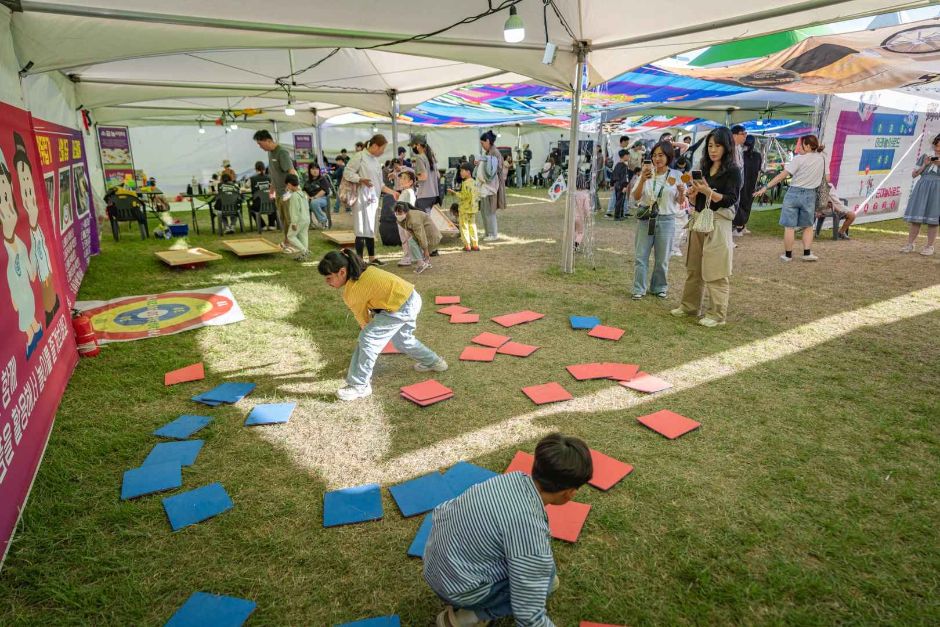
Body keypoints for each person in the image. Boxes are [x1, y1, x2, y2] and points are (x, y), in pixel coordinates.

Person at [424, 432, 592, 627]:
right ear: (568, 494)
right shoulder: (529, 530)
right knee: (540, 582)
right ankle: (467, 616)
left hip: (433, 564)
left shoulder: (510, 479)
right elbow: (529, 615)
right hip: (457, 588)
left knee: (541, 571)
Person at [318, 249, 447, 401]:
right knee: (403, 341)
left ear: (342, 272)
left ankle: (360, 385)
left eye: (329, 278)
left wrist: (367, 328)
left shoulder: (354, 289)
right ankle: (435, 362)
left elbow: (362, 318)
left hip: (399, 306)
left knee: (367, 339)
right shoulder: (363, 270)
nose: (327, 283)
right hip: (411, 298)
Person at [671, 126, 741, 328]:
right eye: (710, 145)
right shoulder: (704, 167)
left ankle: (717, 314)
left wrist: (708, 191)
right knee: (694, 267)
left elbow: (730, 200)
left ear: (727, 147)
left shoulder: (733, 171)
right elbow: (699, 199)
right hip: (700, 219)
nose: (713, 150)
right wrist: (694, 194)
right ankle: (689, 306)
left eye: (717, 146)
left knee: (716, 270)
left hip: (718, 222)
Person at [755, 134, 827, 262]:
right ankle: (807, 253)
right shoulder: (821, 158)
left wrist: (765, 188)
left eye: (802, 144)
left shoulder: (798, 159)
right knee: (808, 226)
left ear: (808, 146)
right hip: (810, 195)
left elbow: (781, 176)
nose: (800, 146)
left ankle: (788, 255)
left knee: (789, 227)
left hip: (793, 193)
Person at [632, 141, 685, 299]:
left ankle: (659, 287)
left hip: (666, 219)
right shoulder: (647, 174)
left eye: (661, 155)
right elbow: (635, 196)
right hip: (646, 218)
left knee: (662, 258)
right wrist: (642, 179)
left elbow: (680, 201)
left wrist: (682, 192)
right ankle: (638, 289)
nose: (657, 159)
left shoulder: (677, 175)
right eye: (654, 155)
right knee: (641, 256)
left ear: (668, 156)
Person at [344, 134, 399, 265]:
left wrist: (393, 192)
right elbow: (347, 172)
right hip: (361, 198)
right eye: (382, 149)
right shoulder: (360, 157)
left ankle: (372, 258)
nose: (383, 152)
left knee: (370, 229)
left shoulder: (375, 161)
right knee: (361, 229)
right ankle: (359, 260)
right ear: (375, 146)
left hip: (373, 200)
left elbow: (380, 184)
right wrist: (360, 179)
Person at [253, 129, 297, 251]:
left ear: (268, 140)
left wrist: (290, 191)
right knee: (283, 219)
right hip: (279, 192)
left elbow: (291, 172)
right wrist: (272, 190)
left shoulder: (281, 152)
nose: (260, 147)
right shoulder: (270, 153)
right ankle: (287, 241)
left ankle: (293, 243)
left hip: (287, 193)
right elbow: (274, 173)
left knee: (290, 219)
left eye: (260, 144)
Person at [900, 133, 940, 255]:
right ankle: (910, 244)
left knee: (933, 219)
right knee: (916, 218)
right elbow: (914, 174)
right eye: (936, 146)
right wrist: (925, 165)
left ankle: (929, 246)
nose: (937, 149)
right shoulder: (925, 156)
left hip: (937, 189)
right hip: (922, 187)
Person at [393, 202, 441, 274]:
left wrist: (426, 250)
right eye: (396, 212)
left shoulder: (414, 219)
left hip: (432, 237)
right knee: (414, 241)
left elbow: (421, 235)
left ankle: (421, 263)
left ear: (406, 212)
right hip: (428, 235)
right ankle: (425, 262)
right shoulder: (403, 218)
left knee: (412, 242)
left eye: (400, 212)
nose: (397, 214)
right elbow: (413, 232)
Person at [477, 130, 504, 241]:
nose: (482, 146)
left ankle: (493, 233)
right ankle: (488, 233)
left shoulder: (496, 153)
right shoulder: (488, 153)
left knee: (490, 210)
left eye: (483, 143)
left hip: (491, 187)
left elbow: (497, 169)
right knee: (484, 210)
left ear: (488, 141)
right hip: (485, 186)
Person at [733, 135, 762, 237]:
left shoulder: (740, 154)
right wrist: (756, 184)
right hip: (752, 184)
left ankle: (739, 227)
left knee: (740, 203)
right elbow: (758, 172)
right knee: (748, 204)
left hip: (741, 183)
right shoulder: (758, 155)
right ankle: (742, 226)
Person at [450, 162, 480, 252]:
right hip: (473, 208)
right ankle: (475, 244)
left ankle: (467, 245)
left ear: (469, 172)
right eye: (460, 171)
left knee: (464, 227)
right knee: (472, 226)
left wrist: (454, 192)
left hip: (464, 209)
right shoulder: (475, 182)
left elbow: (463, 196)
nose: (461, 173)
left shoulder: (465, 183)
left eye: (463, 171)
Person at [409, 134, 440, 213]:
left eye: (413, 146)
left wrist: (413, 178)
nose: (412, 148)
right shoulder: (432, 158)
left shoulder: (420, 158)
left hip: (424, 195)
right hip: (433, 195)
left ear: (418, 145)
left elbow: (423, 177)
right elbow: (438, 175)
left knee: (422, 222)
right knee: (427, 221)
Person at [284, 174, 310, 261]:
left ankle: (304, 250)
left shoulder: (294, 196)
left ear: (289, 185)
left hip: (299, 220)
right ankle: (304, 255)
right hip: (306, 218)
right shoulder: (303, 193)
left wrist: (294, 223)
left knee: (290, 236)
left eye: (287, 185)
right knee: (303, 236)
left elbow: (294, 211)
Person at [396, 170, 418, 267]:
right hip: (402, 219)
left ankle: (408, 257)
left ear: (411, 182)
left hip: (404, 219)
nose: (401, 180)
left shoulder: (408, 192)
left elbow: (408, 206)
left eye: (404, 178)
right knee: (406, 238)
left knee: (406, 239)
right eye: (401, 178)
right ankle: (411, 256)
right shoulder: (406, 192)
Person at [249, 160, 276, 231]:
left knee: (251, 209)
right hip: (271, 201)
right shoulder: (270, 178)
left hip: (258, 204)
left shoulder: (252, 179)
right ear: (264, 168)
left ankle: (262, 225)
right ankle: (272, 225)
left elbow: (246, 186)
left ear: (255, 169)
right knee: (271, 204)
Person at [304, 162, 331, 229]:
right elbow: (304, 191)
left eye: (317, 169)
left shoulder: (322, 179)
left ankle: (324, 221)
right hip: (311, 199)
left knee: (314, 203)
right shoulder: (308, 181)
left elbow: (324, 191)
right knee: (303, 203)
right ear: (309, 170)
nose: (315, 170)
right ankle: (309, 223)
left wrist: (314, 197)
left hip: (323, 198)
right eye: (313, 169)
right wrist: (307, 197)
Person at [609, 149, 630, 220]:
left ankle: (621, 215)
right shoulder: (624, 166)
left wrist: (611, 184)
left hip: (616, 184)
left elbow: (613, 175)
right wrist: (625, 186)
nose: (628, 157)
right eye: (627, 155)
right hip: (621, 185)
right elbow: (626, 177)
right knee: (620, 200)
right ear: (624, 156)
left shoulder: (617, 165)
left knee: (621, 200)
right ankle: (617, 216)